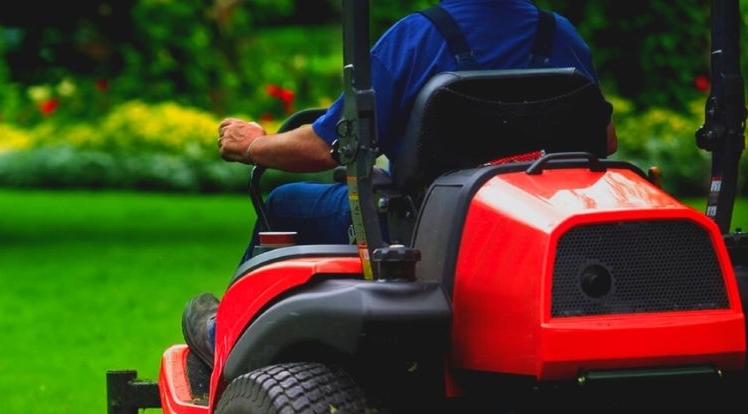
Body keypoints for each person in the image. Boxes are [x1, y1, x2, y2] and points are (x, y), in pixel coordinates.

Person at [183, 0, 617, 367]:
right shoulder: (559, 34)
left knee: (284, 201)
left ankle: (225, 335)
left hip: (421, 231)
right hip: (534, 228)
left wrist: (255, 145)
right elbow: (605, 139)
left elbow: (326, 145)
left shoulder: (417, 38)